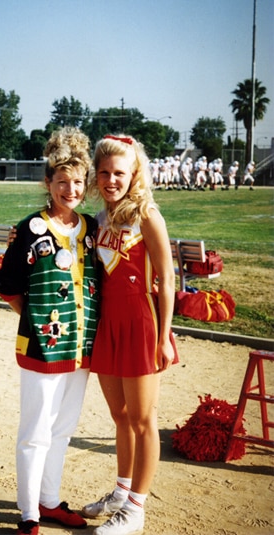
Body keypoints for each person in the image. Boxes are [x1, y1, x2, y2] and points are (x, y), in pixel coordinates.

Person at [0, 127, 99, 535]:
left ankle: (50, 500)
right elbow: (7, 285)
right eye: (62, 182)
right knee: (35, 432)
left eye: (77, 182)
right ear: (48, 183)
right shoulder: (30, 230)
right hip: (43, 348)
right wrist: (34, 318)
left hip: (80, 349)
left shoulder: (90, 228)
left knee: (63, 429)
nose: (70, 189)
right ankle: (28, 514)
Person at [82, 134, 179, 535]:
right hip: (109, 322)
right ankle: (122, 492)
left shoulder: (148, 214)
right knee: (119, 416)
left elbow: (169, 278)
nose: (110, 180)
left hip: (141, 321)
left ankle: (135, 509)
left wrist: (164, 335)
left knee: (143, 420)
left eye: (119, 173)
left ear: (134, 173)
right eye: (103, 172)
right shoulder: (101, 217)